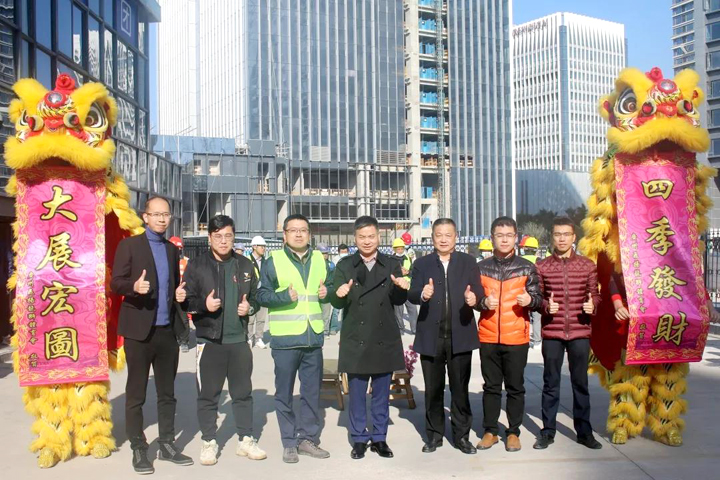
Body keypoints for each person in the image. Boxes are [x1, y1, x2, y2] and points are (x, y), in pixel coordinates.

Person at [111, 196, 193, 474]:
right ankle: (138, 447)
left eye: (165, 214)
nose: (161, 219)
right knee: (136, 393)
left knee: (167, 394)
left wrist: (180, 295)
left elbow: (173, 286)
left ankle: (167, 444)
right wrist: (134, 287)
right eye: (156, 214)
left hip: (166, 332)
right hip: (138, 333)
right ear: (145, 217)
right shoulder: (129, 246)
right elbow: (116, 282)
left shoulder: (171, 250)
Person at [181, 215, 266, 465]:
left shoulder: (246, 265)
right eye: (218, 236)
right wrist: (203, 306)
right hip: (210, 341)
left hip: (239, 341)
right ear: (210, 238)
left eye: (228, 236)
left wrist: (250, 308)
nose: (223, 241)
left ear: (234, 237)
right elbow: (185, 301)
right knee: (208, 396)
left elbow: (256, 297)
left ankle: (246, 439)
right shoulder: (197, 265)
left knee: (243, 394)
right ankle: (209, 441)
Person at [256, 214, 333, 464]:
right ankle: (289, 442)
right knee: (284, 394)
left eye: (303, 230)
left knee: (311, 394)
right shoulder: (273, 261)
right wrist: (282, 297)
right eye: (293, 230)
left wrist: (328, 292)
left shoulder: (320, 259)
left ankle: (307, 439)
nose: (299, 234)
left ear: (309, 234)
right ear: (285, 234)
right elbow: (261, 295)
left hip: (313, 340)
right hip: (286, 341)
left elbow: (331, 288)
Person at [330, 216, 409, 459]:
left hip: (384, 336)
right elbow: (336, 301)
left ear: (378, 237)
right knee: (356, 394)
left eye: (371, 236)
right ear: (355, 239)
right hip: (357, 338)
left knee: (381, 394)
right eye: (362, 237)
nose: (367, 241)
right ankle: (359, 438)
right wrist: (339, 293)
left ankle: (380, 437)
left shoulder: (391, 264)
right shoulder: (345, 265)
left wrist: (401, 287)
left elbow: (398, 300)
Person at [408, 218, 483, 455]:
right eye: (438, 235)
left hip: (460, 335)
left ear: (455, 237)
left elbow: (479, 290)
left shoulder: (468, 262)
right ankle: (434, 436)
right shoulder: (422, 264)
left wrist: (474, 298)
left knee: (460, 389)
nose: (443, 239)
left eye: (448, 235)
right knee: (433, 389)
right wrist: (423, 294)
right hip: (431, 337)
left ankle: (462, 437)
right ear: (432, 238)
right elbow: (411, 293)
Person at [533, 217, 602, 450]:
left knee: (580, 383)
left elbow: (595, 295)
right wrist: (546, 306)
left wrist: (593, 305)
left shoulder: (587, 265)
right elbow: (537, 298)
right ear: (552, 237)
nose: (562, 238)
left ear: (574, 237)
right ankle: (547, 431)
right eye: (557, 234)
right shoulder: (542, 266)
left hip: (580, 332)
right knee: (550, 383)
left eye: (566, 234)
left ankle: (584, 432)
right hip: (552, 333)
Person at [476, 216, 542, 453]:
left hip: (516, 337)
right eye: (499, 235)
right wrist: (483, 302)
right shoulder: (481, 268)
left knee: (515, 387)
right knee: (491, 387)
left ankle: (513, 432)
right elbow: (473, 299)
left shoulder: (527, 267)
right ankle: (490, 431)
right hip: (488, 336)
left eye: (508, 235)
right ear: (492, 238)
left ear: (516, 238)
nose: (504, 240)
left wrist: (530, 300)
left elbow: (539, 300)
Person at [391, 238, 418, 334]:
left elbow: (415, 272)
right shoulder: (390, 260)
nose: (400, 250)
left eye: (401, 248)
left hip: (408, 288)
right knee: (398, 311)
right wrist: (399, 273)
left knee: (413, 310)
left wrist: (407, 272)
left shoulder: (409, 258)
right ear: (394, 249)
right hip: (397, 288)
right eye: (398, 249)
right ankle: (401, 329)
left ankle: (414, 329)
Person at [169, 236, 191, 352]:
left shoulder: (186, 261)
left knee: (183, 318)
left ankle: (184, 341)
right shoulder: (165, 260)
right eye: (175, 248)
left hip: (182, 294)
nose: (177, 250)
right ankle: (173, 339)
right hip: (169, 293)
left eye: (179, 248)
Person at [247, 235, 269, 349]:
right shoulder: (247, 261)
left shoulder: (266, 262)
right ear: (254, 246)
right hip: (251, 295)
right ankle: (249, 338)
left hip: (262, 294)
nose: (263, 248)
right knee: (250, 318)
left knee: (261, 318)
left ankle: (258, 338)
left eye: (264, 246)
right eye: (261, 246)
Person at [521, 237, 542, 349]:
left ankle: (524, 338)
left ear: (525, 249)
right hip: (535, 291)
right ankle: (537, 341)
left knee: (522, 316)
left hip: (521, 291)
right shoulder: (539, 260)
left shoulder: (520, 260)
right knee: (536, 317)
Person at [316, 243, 336, 336]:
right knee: (316, 313)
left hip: (327, 290)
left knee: (326, 313)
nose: (325, 255)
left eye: (326, 253)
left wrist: (330, 289)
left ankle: (325, 331)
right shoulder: (313, 264)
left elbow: (333, 278)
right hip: (315, 291)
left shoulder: (331, 265)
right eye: (323, 253)